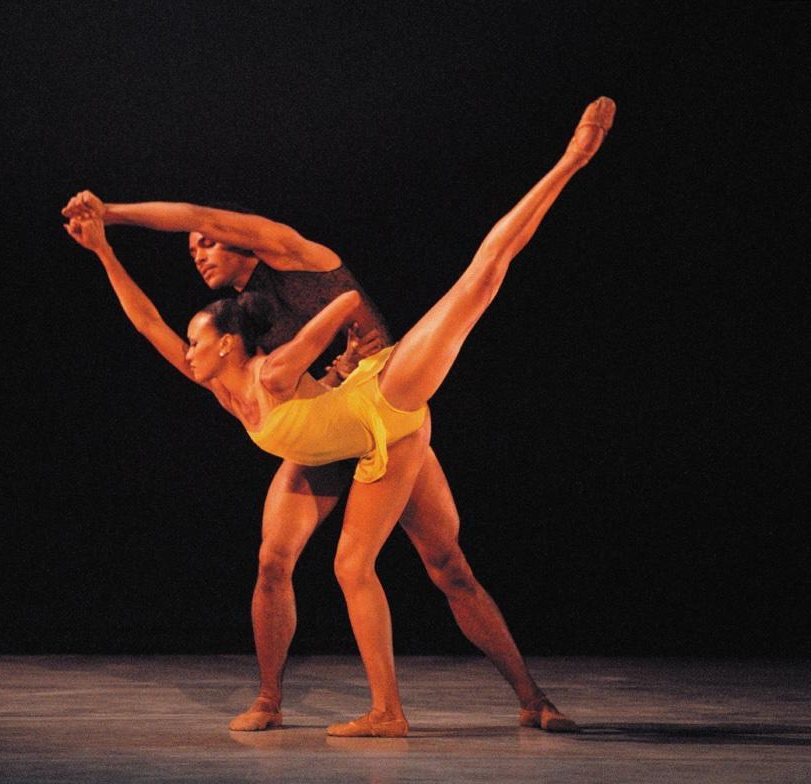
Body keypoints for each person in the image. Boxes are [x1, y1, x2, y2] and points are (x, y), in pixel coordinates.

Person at [63, 97, 615, 736]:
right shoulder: (244, 329)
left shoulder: (292, 254)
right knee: (275, 558)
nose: (198, 251)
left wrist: (113, 214)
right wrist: (104, 252)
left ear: (241, 238)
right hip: (332, 431)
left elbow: (200, 214)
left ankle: (529, 698)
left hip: (387, 403)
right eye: (191, 249)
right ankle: (270, 699)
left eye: (207, 244)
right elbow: (161, 327)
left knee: (445, 566)